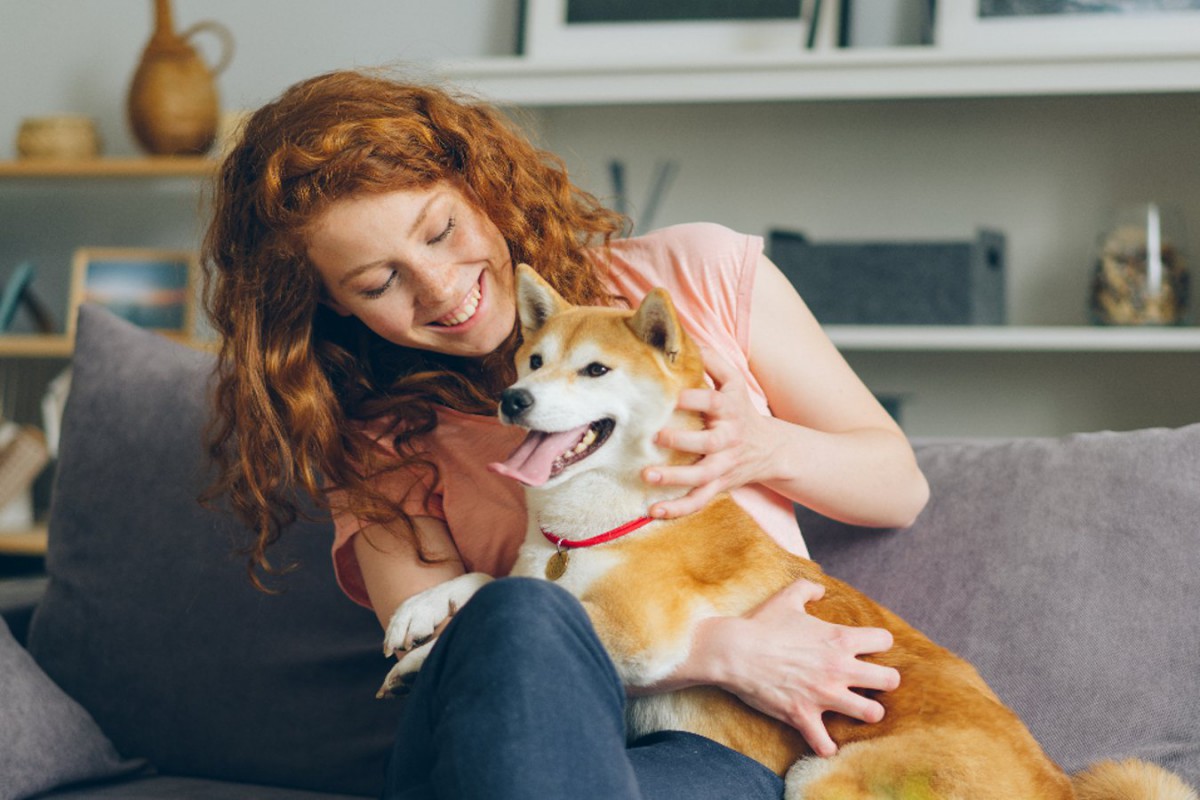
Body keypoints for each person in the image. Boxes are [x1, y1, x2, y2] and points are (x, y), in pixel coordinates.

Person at [202, 68, 930, 799]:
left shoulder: (693, 277)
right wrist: (719, 652)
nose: (439, 285)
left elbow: (897, 488)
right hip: (490, 741)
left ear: (482, 188)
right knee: (515, 609)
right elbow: (447, 655)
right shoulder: (383, 438)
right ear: (333, 311)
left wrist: (766, 446)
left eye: (442, 231)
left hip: (713, 748)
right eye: (376, 283)